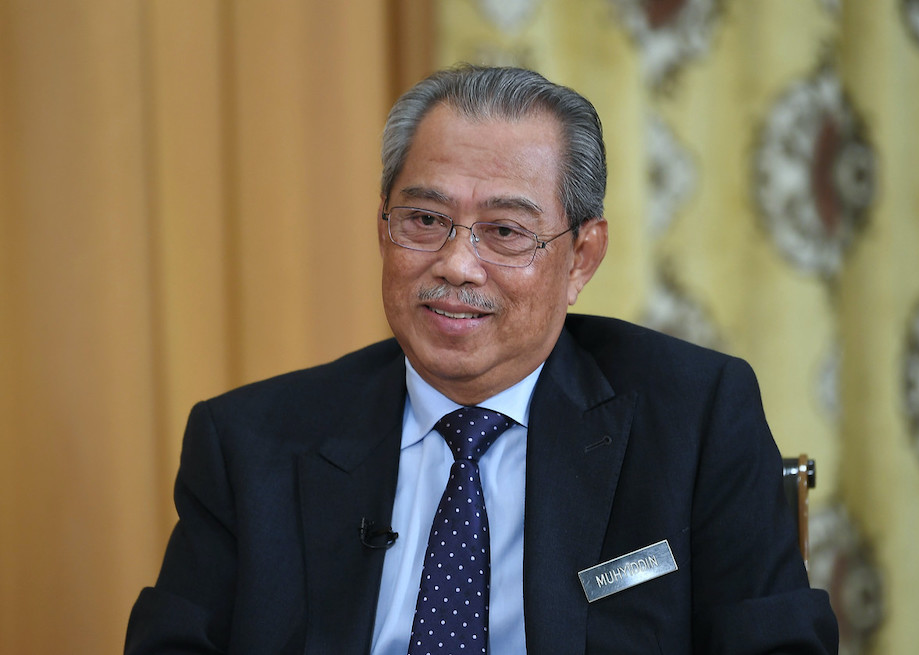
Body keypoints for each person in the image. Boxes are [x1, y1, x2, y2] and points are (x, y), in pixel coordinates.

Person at [125, 65, 838, 654]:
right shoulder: (249, 445)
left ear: (581, 257)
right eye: (426, 220)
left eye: (504, 230)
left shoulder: (696, 417)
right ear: (383, 229)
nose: (458, 265)